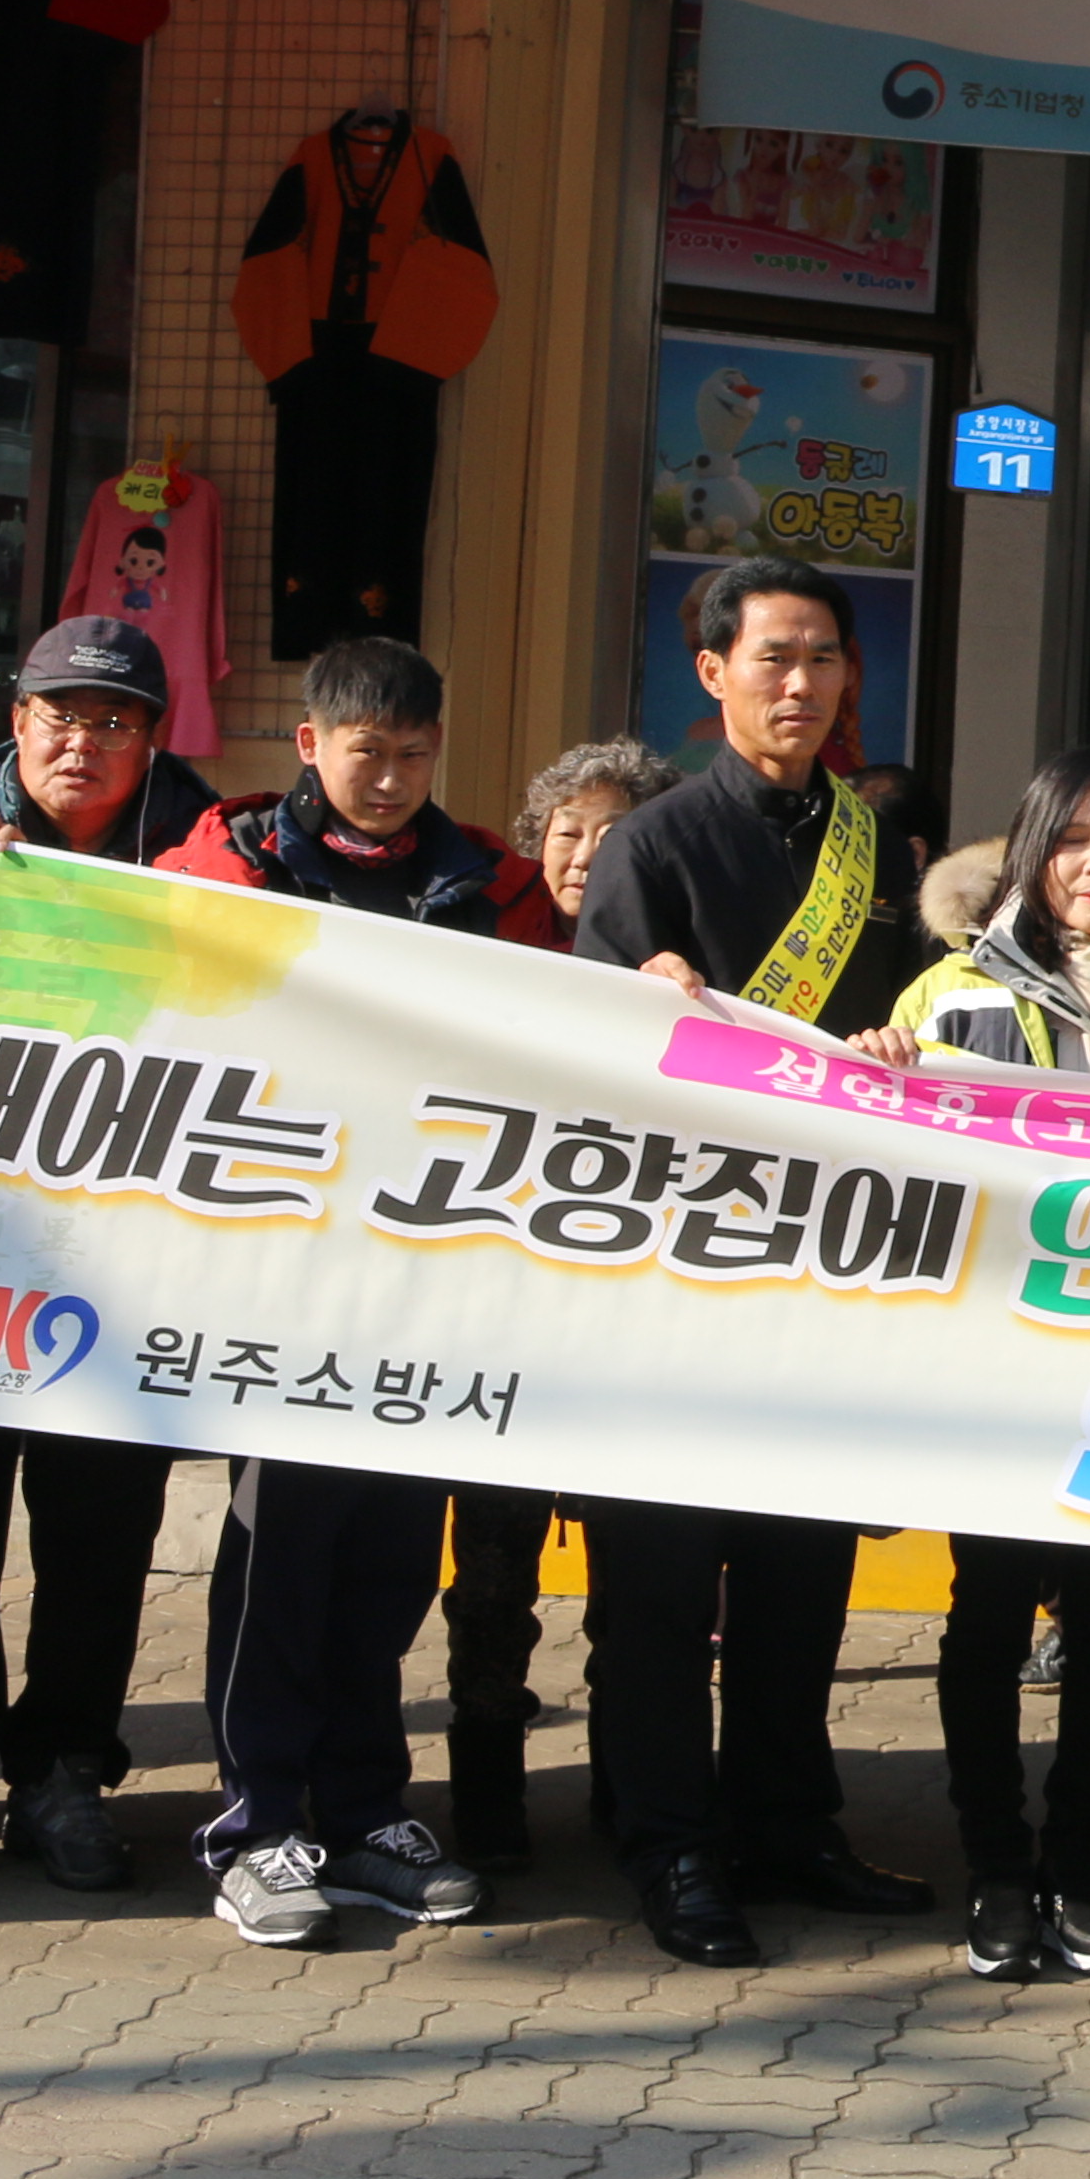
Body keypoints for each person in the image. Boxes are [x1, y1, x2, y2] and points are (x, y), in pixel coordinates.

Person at [571, 558, 942, 1967]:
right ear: (712, 671)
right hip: (677, 1272)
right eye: (774, 657)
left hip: (826, 1265)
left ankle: (788, 1823)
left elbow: (924, 1027)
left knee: (800, 1570)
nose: (801, 684)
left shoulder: (877, 849)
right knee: (664, 1587)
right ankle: (671, 1845)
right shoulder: (650, 847)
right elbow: (594, 1066)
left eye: (824, 658)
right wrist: (644, 1006)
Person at [153, 636, 531, 1949]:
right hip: (281, 1284)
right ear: (309, 744)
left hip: (429, 1281)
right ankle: (256, 1827)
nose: (389, 779)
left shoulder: (486, 882)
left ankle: (368, 1813)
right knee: (281, 1559)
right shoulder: (232, 868)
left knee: (389, 1563)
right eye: (366, 752)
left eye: (413, 754)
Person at [0, 614, 226, 1911]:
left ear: (155, 737)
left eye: (116, 720)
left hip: (127, 1264)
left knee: (99, 1537)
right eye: (61, 715)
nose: (84, 741)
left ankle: (65, 1773)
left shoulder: (214, 858)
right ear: (17, 723)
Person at [864, 744, 1090, 1984]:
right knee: (985, 1613)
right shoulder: (948, 997)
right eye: (1073, 840)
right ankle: (996, 1871)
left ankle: (1082, 1868)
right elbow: (887, 1163)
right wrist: (878, 1076)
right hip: (998, 1362)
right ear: (1030, 854)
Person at [439, 737, 682, 1868]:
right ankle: (485, 1781)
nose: (584, 853)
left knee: (636, 1579)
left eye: (613, 834)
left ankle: (627, 1782)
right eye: (564, 831)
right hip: (501, 1321)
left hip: (634, 1326)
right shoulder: (483, 952)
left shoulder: (683, 966)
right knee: (492, 1571)